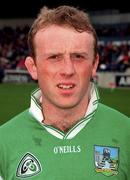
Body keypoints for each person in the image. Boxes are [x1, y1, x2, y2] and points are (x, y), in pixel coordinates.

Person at [0, 5, 130, 180]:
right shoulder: (3, 143)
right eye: (54, 57)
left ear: (94, 65)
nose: (68, 70)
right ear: (33, 67)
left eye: (78, 56)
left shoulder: (126, 134)